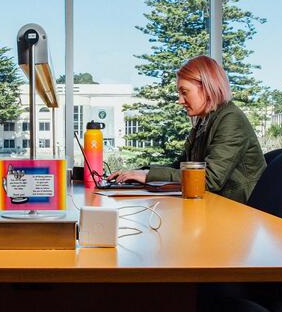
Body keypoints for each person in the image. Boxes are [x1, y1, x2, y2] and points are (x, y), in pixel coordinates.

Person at [107, 55, 266, 203]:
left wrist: (148, 175)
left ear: (207, 88)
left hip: (238, 212)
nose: (180, 100)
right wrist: (139, 172)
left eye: (185, 92)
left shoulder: (230, 119)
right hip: (216, 204)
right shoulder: (205, 120)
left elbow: (209, 179)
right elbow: (181, 166)